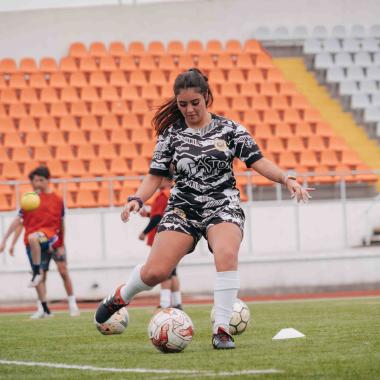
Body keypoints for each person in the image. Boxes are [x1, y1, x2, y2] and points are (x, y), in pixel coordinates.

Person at [95, 68, 314, 349]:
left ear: (207, 97)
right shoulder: (170, 135)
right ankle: (121, 295)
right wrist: (136, 199)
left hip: (222, 204)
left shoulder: (230, 129)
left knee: (226, 253)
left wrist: (287, 178)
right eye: (182, 104)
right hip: (183, 207)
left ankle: (221, 329)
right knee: (154, 273)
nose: (189, 109)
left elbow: (258, 161)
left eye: (194, 103)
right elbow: (154, 175)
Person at [0, 165, 79, 318]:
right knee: (41, 276)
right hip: (35, 240)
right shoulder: (29, 199)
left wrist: (62, 243)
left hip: (53, 240)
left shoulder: (57, 200)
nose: (37, 184)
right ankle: (42, 309)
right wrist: (6, 240)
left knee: (63, 270)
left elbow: (61, 223)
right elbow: (19, 221)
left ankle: (72, 304)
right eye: (34, 181)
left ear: (48, 180)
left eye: (40, 180)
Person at [138, 177, 183, 310]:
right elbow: (162, 214)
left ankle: (165, 303)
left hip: (163, 237)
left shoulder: (162, 195)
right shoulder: (174, 194)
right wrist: (148, 214)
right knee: (173, 272)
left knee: (165, 271)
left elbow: (157, 218)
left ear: (167, 181)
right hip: (174, 236)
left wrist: (144, 232)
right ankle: (177, 302)